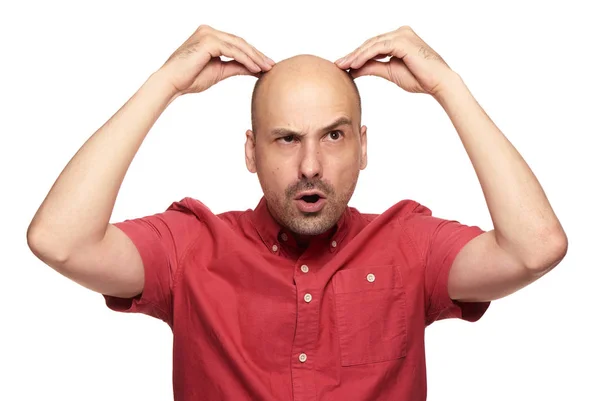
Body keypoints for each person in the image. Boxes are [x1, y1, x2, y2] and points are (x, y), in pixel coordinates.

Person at [27, 24, 568, 401]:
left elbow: (536, 247)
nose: (311, 165)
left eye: (332, 136)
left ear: (362, 147)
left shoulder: (409, 243)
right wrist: (164, 83)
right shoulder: (190, 245)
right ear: (250, 152)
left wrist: (446, 85)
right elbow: (59, 239)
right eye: (286, 139)